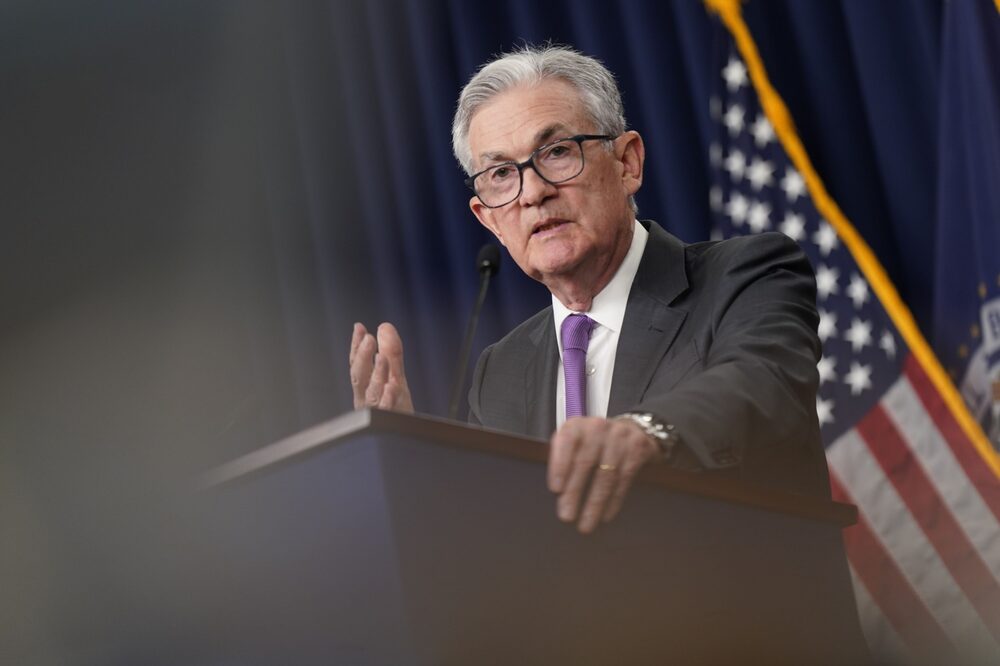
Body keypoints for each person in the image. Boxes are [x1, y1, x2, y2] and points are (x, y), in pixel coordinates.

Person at [349, 45, 829, 535]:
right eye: (501, 175)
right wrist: (410, 468)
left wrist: (644, 432)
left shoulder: (746, 276)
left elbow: (763, 382)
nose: (533, 193)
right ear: (487, 218)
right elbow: (494, 540)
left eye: (556, 152)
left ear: (627, 164)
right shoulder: (501, 372)